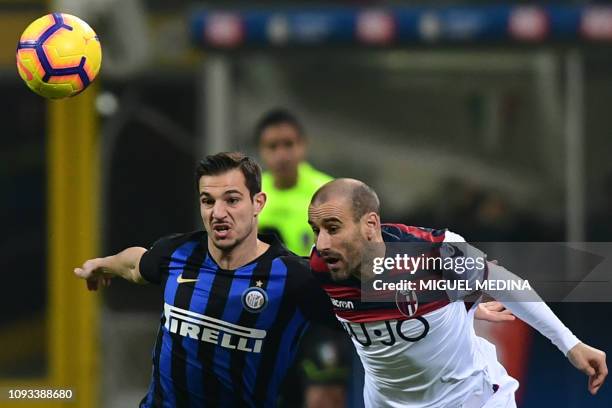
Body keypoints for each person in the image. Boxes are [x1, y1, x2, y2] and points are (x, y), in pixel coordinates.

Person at [307, 178, 608, 407]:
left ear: (370, 224)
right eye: (315, 229)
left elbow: (506, 285)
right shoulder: (322, 266)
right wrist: (467, 305)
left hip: (472, 400)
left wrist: (570, 344)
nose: (322, 243)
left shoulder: (432, 251)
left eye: (333, 228)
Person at [73, 152, 338, 407]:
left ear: (258, 202)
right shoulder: (178, 253)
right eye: (208, 201)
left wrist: (376, 254)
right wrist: (102, 264)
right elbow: (135, 264)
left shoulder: (293, 277)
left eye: (232, 200)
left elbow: (366, 306)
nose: (218, 212)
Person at [255, 109, 333, 256]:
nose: (281, 155)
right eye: (272, 146)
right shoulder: (250, 192)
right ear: (261, 150)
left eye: (288, 144)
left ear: (303, 145)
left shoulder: (328, 191)